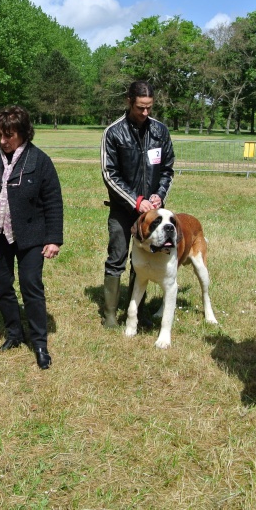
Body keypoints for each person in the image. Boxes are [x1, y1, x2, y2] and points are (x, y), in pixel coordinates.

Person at [0, 105, 63, 370]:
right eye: (0, 134)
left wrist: (53, 239)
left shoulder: (39, 160)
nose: (3, 141)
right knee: (2, 285)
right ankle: (14, 334)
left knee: (31, 285)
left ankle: (40, 343)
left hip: (31, 236)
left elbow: (53, 201)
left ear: (22, 133)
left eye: (8, 135)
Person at [100, 80, 175, 328]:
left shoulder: (160, 131)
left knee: (144, 260)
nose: (145, 113)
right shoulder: (114, 132)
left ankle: (137, 312)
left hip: (152, 215)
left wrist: (158, 196)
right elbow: (110, 174)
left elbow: (167, 170)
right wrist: (137, 200)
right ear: (129, 102)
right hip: (123, 210)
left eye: (149, 107)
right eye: (140, 107)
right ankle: (110, 316)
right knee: (117, 258)